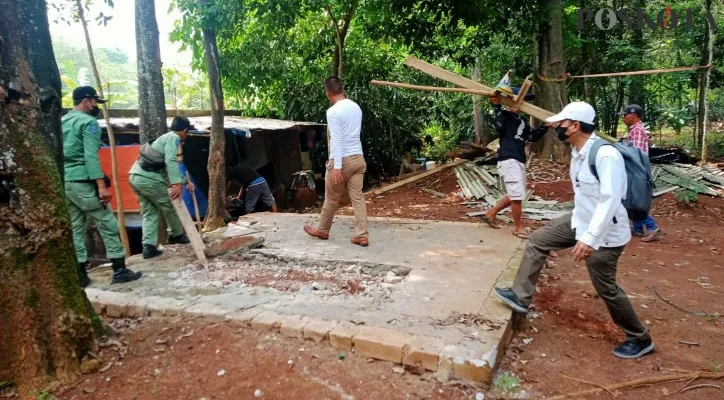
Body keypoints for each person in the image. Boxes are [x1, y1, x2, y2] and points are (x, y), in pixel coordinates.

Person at [494, 102, 655, 359]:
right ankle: (520, 296)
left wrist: (590, 240)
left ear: (576, 126)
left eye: (562, 123)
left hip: (605, 232)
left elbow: (610, 200)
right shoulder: (577, 152)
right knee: (538, 240)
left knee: (606, 288)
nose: (557, 127)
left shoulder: (605, 155)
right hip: (580, 219)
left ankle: (640, 337)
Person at [62, 86, 142, 285]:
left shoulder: (61, 122)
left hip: (66, 182)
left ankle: (80, 275)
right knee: (108, 223)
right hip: (84, 183)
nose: (96, 106)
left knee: (76, 227)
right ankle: (119, 270)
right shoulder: (88, 123)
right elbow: (90, 156)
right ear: (86, 101)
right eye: (95, 102)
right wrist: (101, 185)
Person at [303, 76, 368, 247]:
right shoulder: (356, 107)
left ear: (328, 93)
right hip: (358, 159)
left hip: (343, 159)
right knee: (358, 198)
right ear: (342, 89)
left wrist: (337, 166)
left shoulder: (333, 111)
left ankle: (323, 230)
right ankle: (362, 235)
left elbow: (337, 140)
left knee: (331, 198)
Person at [482, 89, 548, 238]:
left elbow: (533, 136)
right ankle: (518, 227)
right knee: (517, 195)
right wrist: (496, 106)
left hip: (518, 160)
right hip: (509, 159)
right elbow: (497, 125)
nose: (519, 105)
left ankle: (491, 212)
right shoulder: (504, 117)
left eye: (523, 102)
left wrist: (544, 126)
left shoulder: (522, 121)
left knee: (516, 193)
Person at [129, 116, 193, 259]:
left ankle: (148, 247)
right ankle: (176, 235)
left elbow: (164, 171)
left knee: (150, 212)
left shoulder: (163, 138)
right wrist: (176, 185)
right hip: (147, 178)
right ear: (184, 130)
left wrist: (184, 181)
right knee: (169, 204)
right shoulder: (173, 138)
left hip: (135, 176)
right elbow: (170, 161)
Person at [618, 104, 661, 242]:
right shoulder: (636, 129)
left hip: (636, 170)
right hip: (638, 169)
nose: (624, 118)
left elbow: (634, 153)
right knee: (633, 198)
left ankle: (651, 227)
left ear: (634, 116)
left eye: (626, 115)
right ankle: (637, 227)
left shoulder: (636, 131)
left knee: (635, 200)